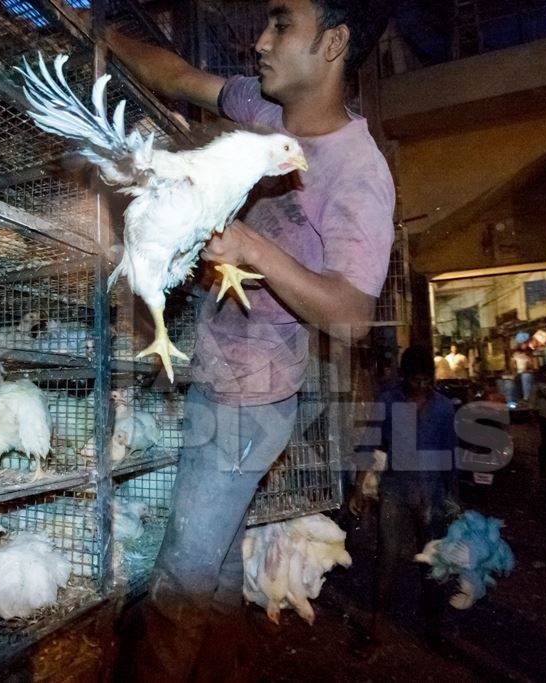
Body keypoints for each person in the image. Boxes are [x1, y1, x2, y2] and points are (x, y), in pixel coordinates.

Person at [105, 2, 396, 679]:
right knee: (221, 575)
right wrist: (104, 36)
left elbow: (352, 313)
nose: (261, 42)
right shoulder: (265, 114)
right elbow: (178, 76)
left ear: (334, 43)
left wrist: (252, 247)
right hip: (219, 380)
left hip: (249, 402)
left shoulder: (358, 174)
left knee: (180, 580)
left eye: (280, 25)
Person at [351, 346, 457, 652]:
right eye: (416, 380)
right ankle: (376, 627)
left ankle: (434, 630)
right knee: (386, 559)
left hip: (432, 493)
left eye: (427, 380)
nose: (421, 386)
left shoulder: (443, 408)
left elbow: (450, 458)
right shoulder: (388, 401)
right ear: (404, 376)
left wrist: (453, 500)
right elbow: (370, 444)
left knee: (433, 562)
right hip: (395, 491)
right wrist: (359, 487)